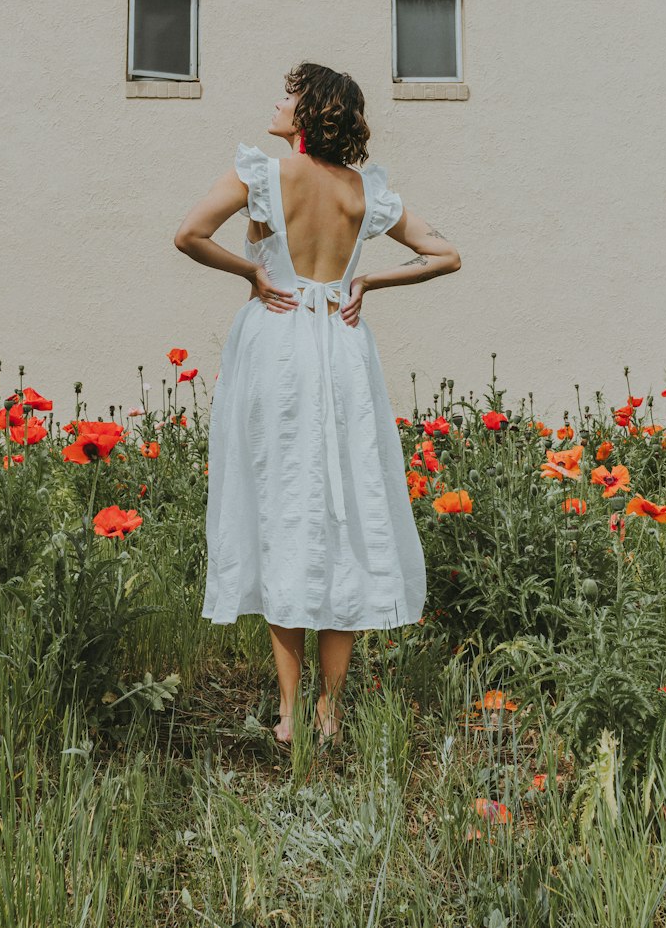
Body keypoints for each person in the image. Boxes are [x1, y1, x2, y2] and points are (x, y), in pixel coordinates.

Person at [174, 62, 461, 749]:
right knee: (347, 511)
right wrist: (369, 280)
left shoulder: (261, 175)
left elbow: (189, 235)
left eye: (289, 96)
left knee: (281, 510)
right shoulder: (365, 192)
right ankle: (331, 712)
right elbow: (445, 255)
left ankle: (289, 711)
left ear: (310, 114)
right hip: (340, 345)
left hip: (276, 347)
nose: (277, 103)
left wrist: (251, 271)